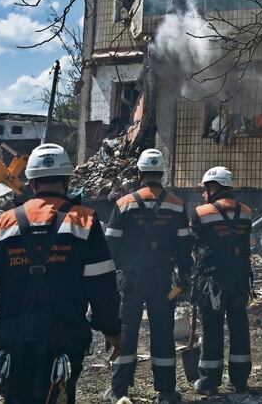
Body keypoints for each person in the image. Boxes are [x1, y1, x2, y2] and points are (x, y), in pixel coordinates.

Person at [0, 143, 122, 404]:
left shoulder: (4, 222)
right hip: (66, 336)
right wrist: (111, 329)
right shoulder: (85, 221)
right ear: (68, 180)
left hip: (14, 338)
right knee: (59, 396)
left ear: (32, 182)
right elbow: (102, 286)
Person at [105, 148, 192, 403]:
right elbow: (185, 247)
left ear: (140, 173)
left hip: (130, 280)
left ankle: (119, 390)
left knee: (126, 331)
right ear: (161, 173)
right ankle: (166, 391)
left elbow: (111, 246)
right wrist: (184, 275)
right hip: (163, 280)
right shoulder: (176, 205)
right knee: (163, 333)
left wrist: (111, 279)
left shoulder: (123, 204)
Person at [189, 166, 254, 396]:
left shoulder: (201, 213)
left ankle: (208, 382)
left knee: (212, 329)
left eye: (205, 189)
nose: (203, 194)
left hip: (212, 281)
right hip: (239, 279)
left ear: (214, 187)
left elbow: (194, 245)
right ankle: (239, 381)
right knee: (239, 326)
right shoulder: (245, 211)